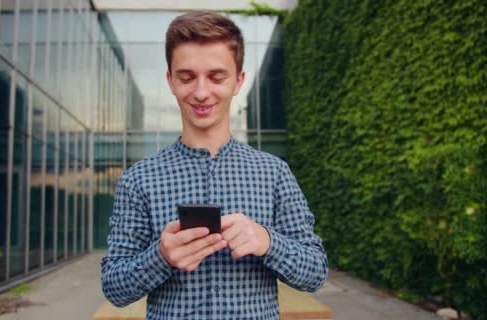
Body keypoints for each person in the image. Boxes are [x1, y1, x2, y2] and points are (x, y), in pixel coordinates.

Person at [101, 11, 328, 320]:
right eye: (186, 77)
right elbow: (114, 288)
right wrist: (160, 256)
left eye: (217, 77)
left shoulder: (274, 174)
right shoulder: (138, 180)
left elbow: (315, 273)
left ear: (238, 81)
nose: (201, 92)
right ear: (170, 80)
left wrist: (268, 241)